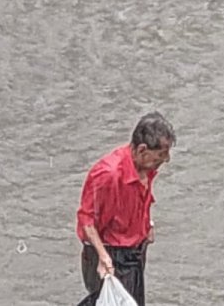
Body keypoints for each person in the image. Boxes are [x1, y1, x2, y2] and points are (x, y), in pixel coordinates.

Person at [75, 112, 175, 306]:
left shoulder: (145, 167)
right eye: (161, 155)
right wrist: (103, 256)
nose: (166, 160)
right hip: (110, 253)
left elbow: (138, 199)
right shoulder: (107, 175)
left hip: (134, 250)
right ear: (142, 149)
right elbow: (86, 221)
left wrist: (147, 224)